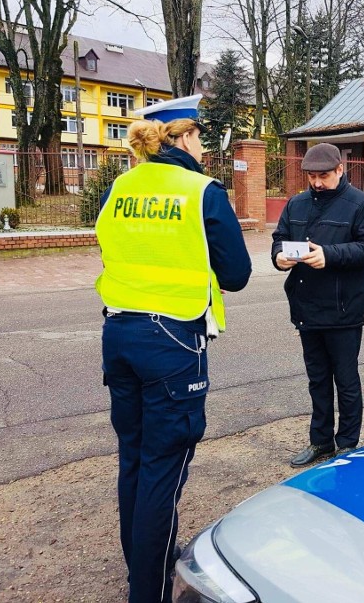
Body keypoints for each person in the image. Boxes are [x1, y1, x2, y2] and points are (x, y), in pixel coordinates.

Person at [95, 94, 252, 603]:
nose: (204, 146)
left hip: (118, 333)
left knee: (135, 459)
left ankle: (141, 563)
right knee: (164, 465)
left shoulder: (120, 185)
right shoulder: (201, 190)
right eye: (200, 136)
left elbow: (111, 244)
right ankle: (150, 591)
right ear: (181, 138)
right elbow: (237, 273)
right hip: (172, 340)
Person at [272, 143, 364, 467]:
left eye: (323, 176)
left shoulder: (360, 205)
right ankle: (320, 441)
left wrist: (330, 255)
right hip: (307, 308)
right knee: (317, 379)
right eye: (311, 176)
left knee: (346, 380)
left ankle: (347, 445)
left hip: (344, 309)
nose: (317, 183)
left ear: (340, 170)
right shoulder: (297, 204)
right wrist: (278, 257)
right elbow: (279, 238)